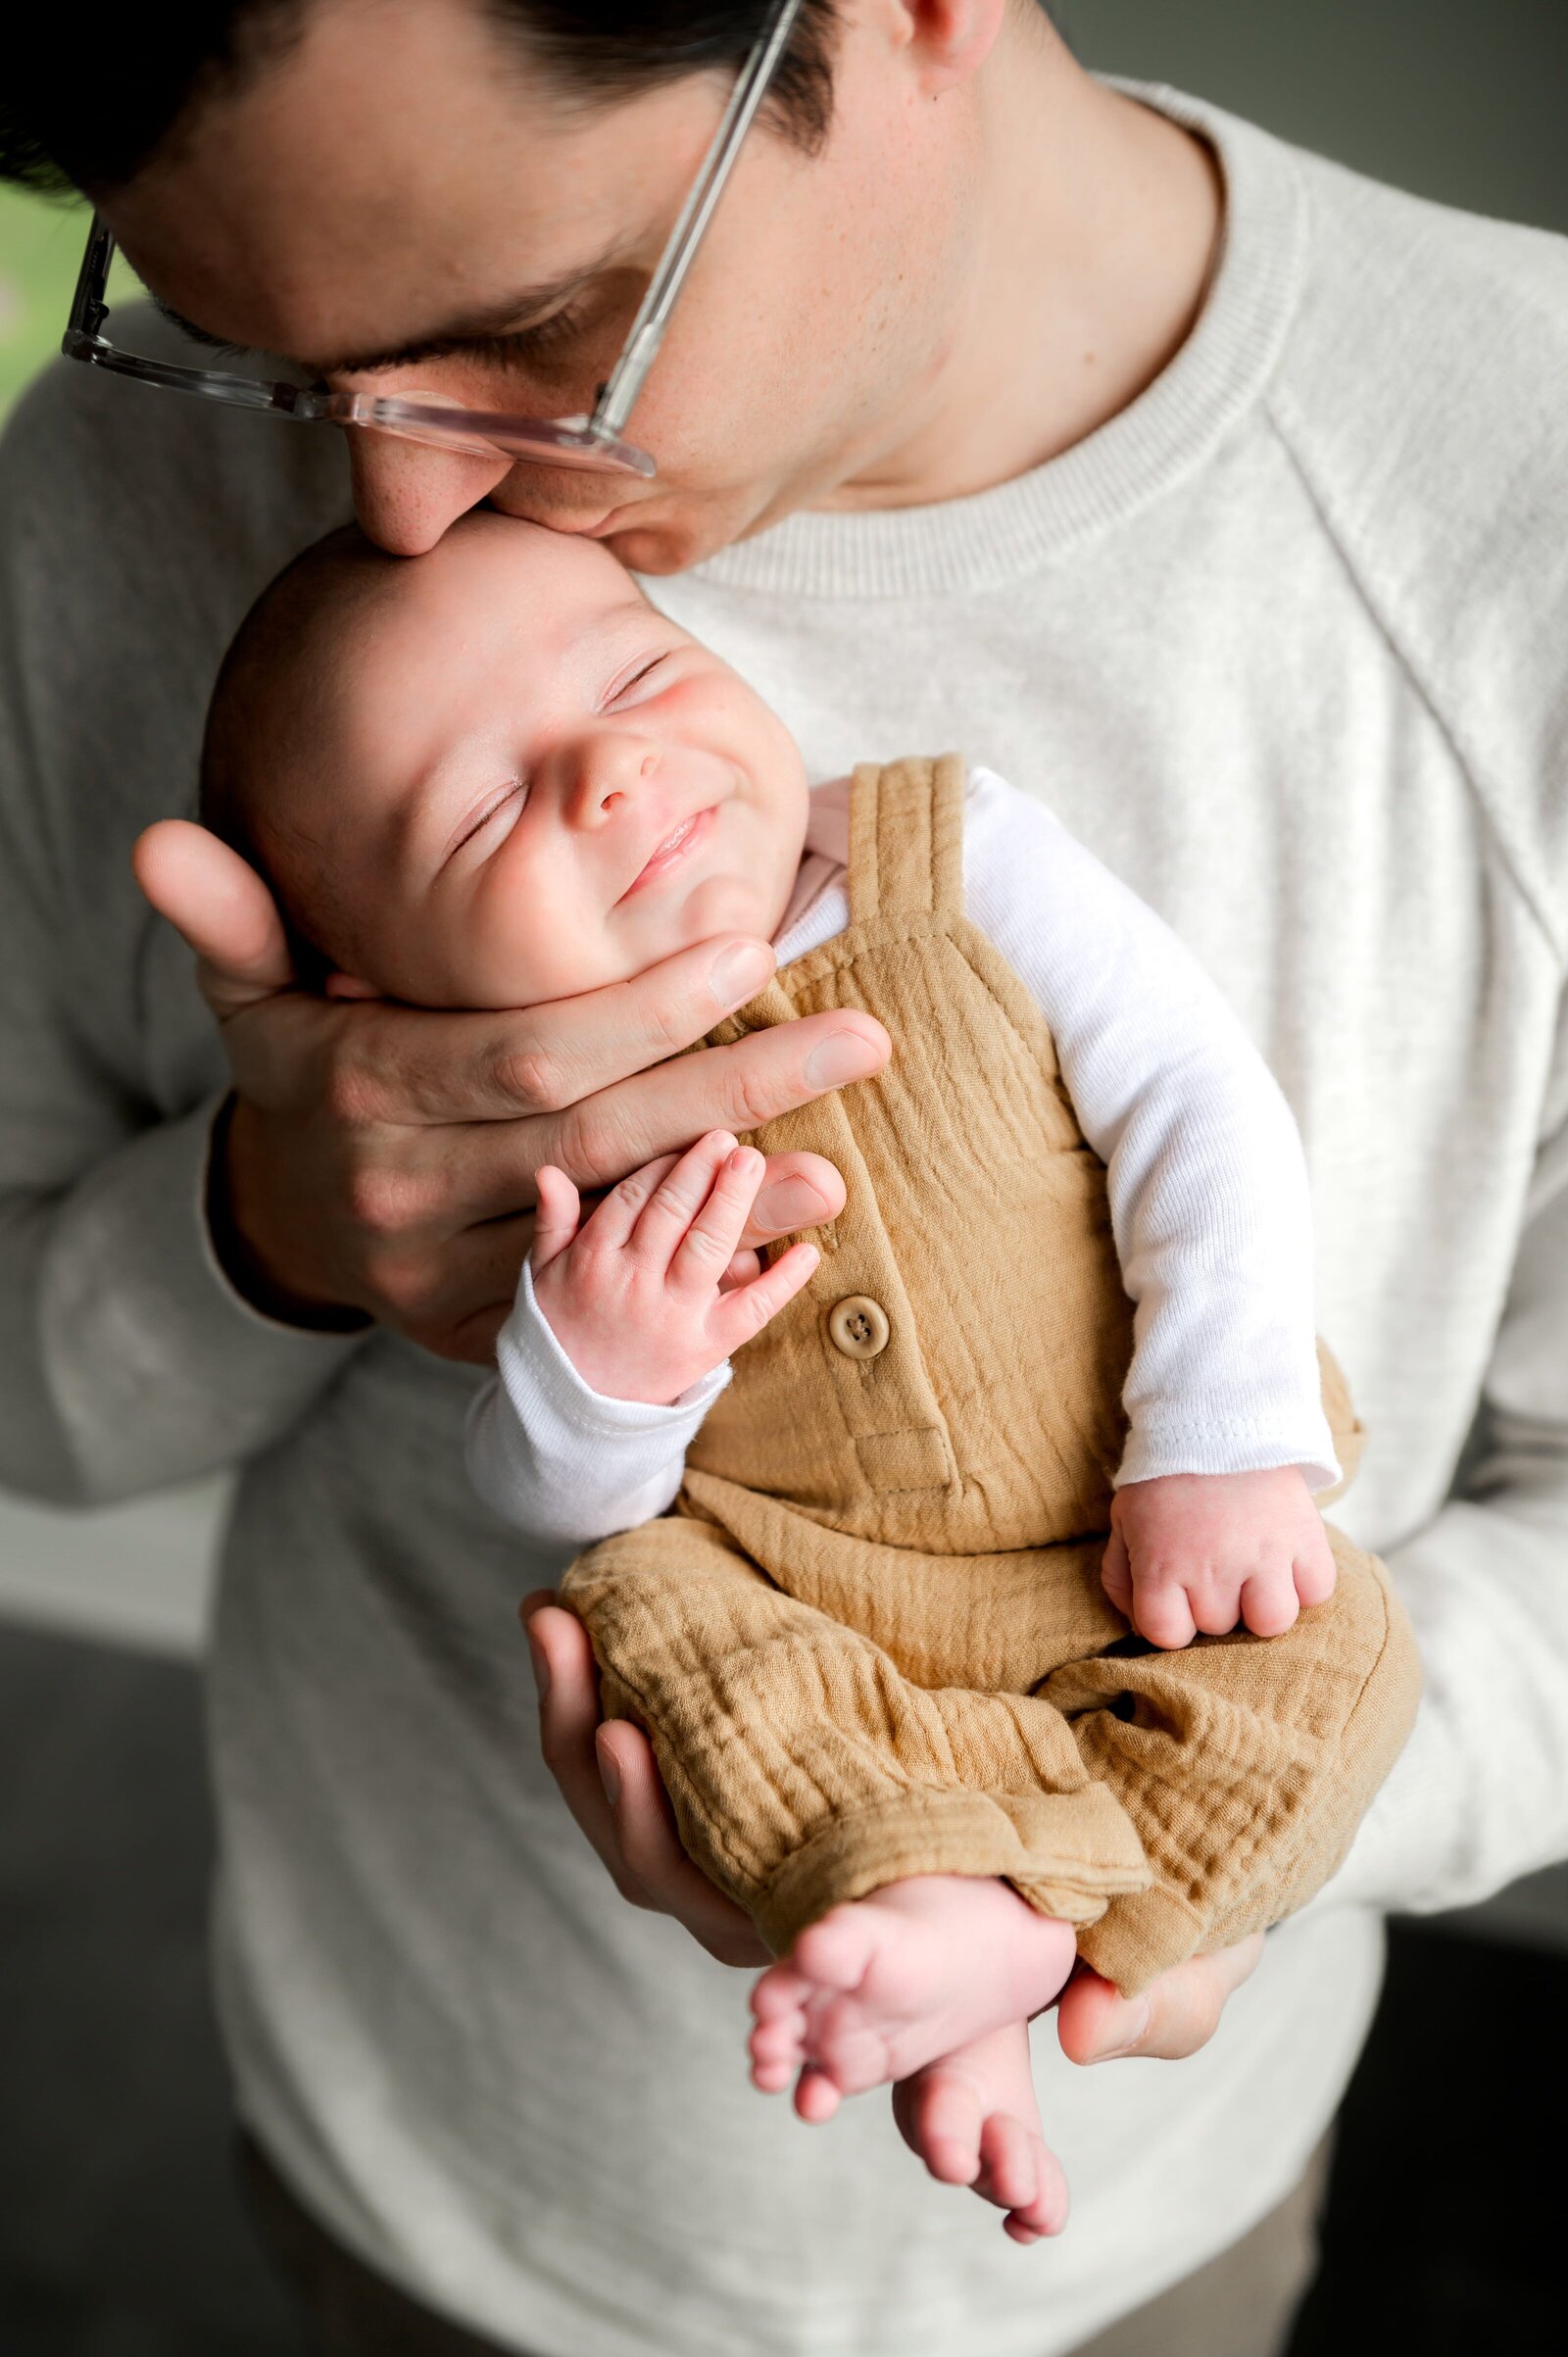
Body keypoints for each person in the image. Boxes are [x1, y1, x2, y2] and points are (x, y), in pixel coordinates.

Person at [0, 3, 1564, 2352]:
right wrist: (262, 1236)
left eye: (529, 328)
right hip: (432, 2184)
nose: (403, 503)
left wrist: (1145, 1861)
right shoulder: (118, 496)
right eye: (267, 360)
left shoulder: (1506, 514)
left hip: (1134, 2246)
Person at [170, 507, 1416, 2243]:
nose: (611, 768)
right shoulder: (531, 1136)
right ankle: (942, 1912)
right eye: (480, 813)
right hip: (814, 1606)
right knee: (644, 1617)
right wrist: (601, 1372)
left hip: (1146, 1547)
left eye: (640, 672)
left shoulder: (950, 852)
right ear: (384, 988)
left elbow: (1199, 1105)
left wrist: (1216, 1439)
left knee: (1345, 1658)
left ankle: (1015, 1932)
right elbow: (559, 1505)